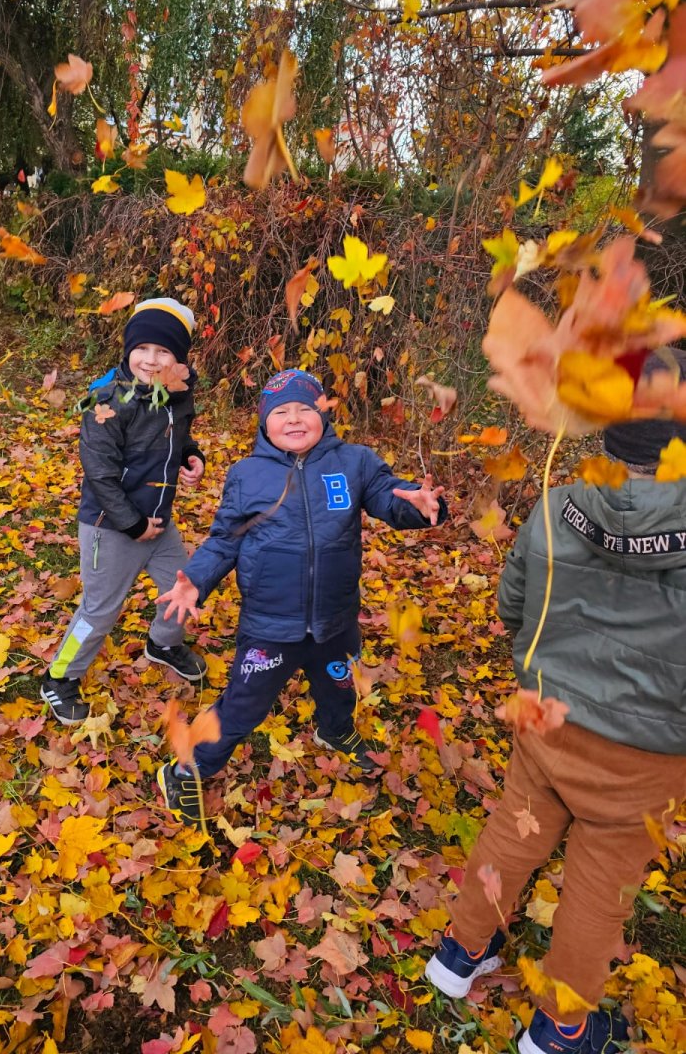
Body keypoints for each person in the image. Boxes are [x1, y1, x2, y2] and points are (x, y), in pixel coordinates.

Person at [424, 349, 686, 1054]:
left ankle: (459, 952)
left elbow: (514, 606)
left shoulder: (557, 503)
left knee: (516, 830)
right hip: (649, 753)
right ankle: (563, 1028)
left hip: (547, 717)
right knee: (601, 886)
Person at [155, 368, 448, 823]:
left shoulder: (354, 463)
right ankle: (188, 768)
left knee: (339, 685)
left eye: (304, 409)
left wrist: (422, 504)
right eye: (281, 412)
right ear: (264, 422)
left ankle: (335, 730)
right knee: (242, 707)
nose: (294, 418)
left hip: (336, 620)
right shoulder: (247, 475)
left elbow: (391, 498)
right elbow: (224, 540)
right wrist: (196, 578)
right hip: (270, 626)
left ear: (323, 414)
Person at [40, 297, 207, 724]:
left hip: (159, 522)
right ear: (128, 349)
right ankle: (59, 677)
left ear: (178, 358)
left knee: (182, 587)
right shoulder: (107, 402)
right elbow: (99, 472)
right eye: (142, 348)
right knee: (100, 609)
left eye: (163, 351)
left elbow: (178, 435)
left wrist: (191, 456)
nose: (150, 360)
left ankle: (163, 643)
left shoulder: (177, 391)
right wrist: (132, 525)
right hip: (111, 527)